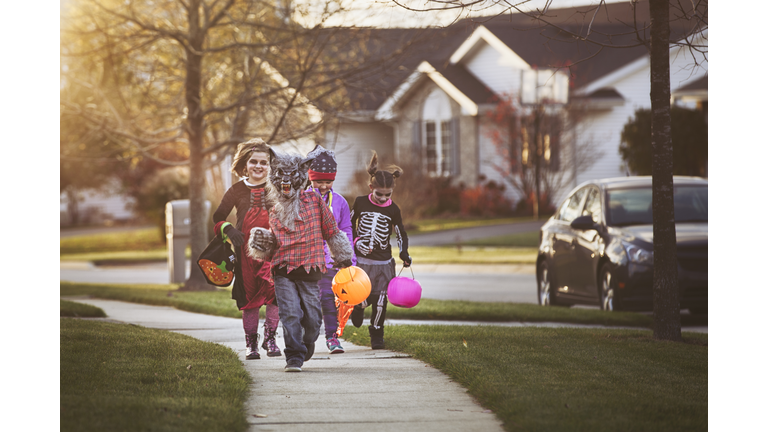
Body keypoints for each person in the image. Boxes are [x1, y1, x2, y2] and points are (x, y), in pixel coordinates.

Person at [247, 146, 354, 372]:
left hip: (310, 268)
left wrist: (344, 257)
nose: (286, 184)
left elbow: (332, 231)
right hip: (283, 270)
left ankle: (306, 344)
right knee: (291, 313)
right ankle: (294, 356)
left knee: (313, 320)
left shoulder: (315, 201)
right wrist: (262, 242)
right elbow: (274, 242)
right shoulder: (275, 208)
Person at [212, 138, 281, 360]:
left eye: (264, 162)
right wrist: (229, 230)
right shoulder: (236, 190)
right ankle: (250, 343)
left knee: (274, 295)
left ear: (270, 166)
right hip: (245, 254)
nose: (259, 166)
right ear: (245, 165)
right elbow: (217, 217)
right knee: (249, 298)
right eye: (254, 162)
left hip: (273, 251)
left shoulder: (277, 187)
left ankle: (270, 338)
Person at [349, 151, 412, 350]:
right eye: (379, 194)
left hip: (384, 262)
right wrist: (356, 242)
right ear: (371, 188)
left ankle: (376, 332)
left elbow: (400, 232)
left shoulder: (393, 209)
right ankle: (358, 306)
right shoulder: (360, 202)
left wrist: (404, 253)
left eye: (388, 195)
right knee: (362, 295)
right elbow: (348, 225)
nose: (383, 198)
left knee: (381, 299)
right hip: (362, 261)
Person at [305, 145, 356, 354]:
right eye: (319, 181)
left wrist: (347, 259)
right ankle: (306, 338)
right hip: (306, 261)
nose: (323, 185)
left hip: (330, 263)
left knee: (328, 300)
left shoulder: (340, 202)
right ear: (310, 178)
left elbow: (346, 230)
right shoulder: (302, 199)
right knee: (307, 304)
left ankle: (332, 337)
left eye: (328, 181)